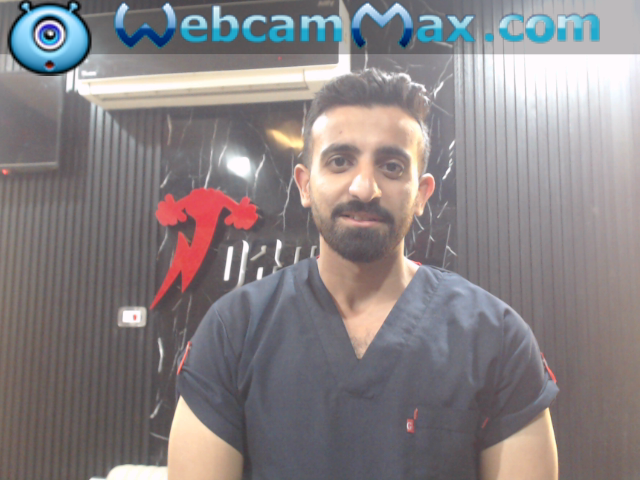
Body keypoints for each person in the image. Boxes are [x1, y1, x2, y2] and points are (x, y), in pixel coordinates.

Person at [167, 68, 559, 480]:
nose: (364, 187)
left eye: (392, 166)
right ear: (304, 185)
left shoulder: (496, 339)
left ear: (422, 194)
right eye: (340, 161)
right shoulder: (233, 332)